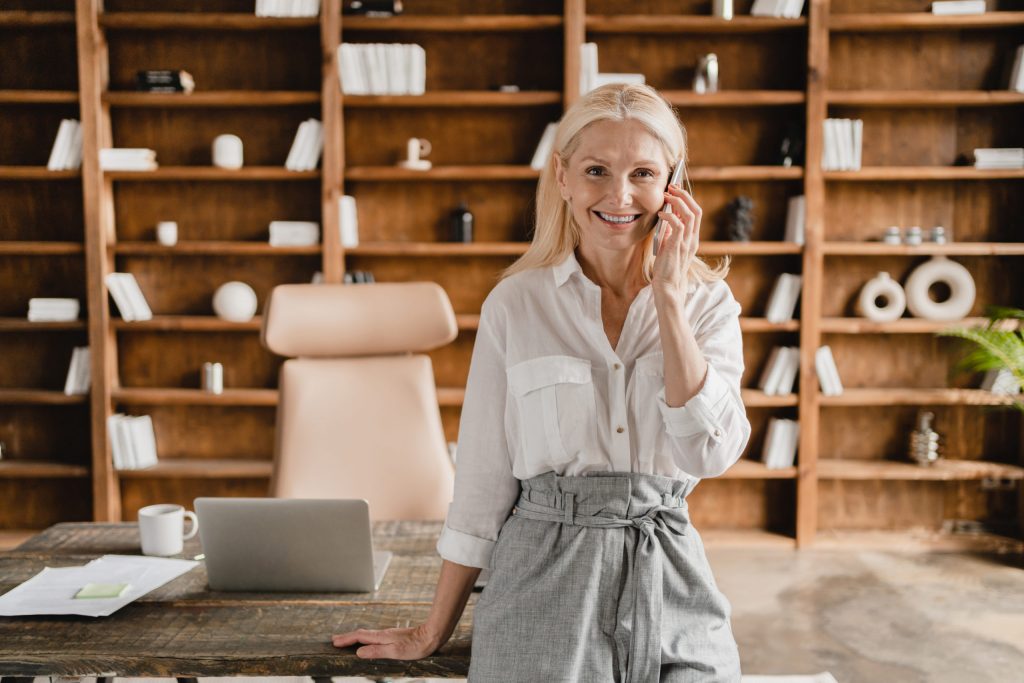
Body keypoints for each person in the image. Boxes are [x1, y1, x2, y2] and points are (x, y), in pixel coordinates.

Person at [332, 82, 751, 682]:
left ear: (672, 185)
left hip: (667, 570)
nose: (619, 195)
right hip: (542, 575)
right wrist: (432, 631)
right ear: (562, 177)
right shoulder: (515, 305)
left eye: (642, 173)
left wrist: (669, 301)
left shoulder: (708, 305)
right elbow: (481, 483)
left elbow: (709, 452)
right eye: (597, 170)